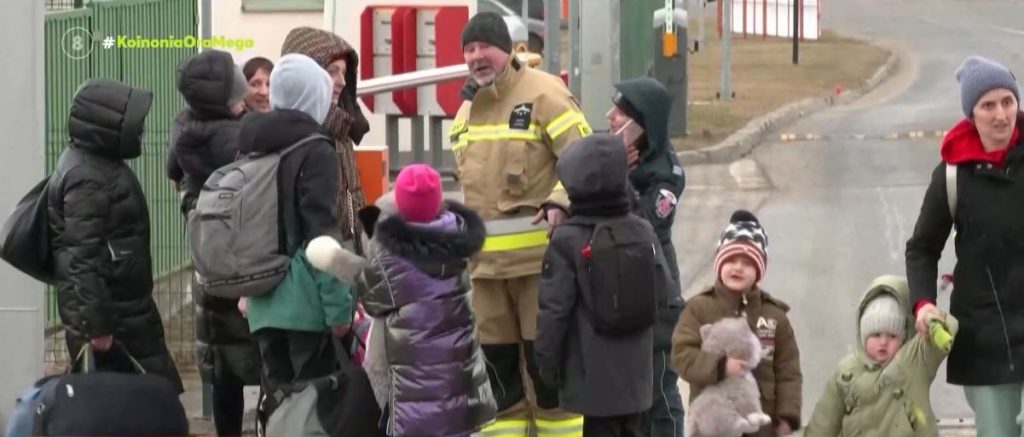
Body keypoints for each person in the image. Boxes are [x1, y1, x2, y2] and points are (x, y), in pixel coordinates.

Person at [449, 11, 593, 436]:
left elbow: (586, 162)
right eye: (469, 49)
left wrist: (561, 202)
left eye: (484, 47)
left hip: (540, 270)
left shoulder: (546, 94)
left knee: (550, 380)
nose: (476, 57)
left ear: (507, 49)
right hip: (485, 276)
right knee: (498, 383)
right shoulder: (466, 110)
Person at [905, 55, 1024, 437]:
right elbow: (922, 248)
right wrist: (924, 304)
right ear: (972, 114)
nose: (1001, 114)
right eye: (988, 105)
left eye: (1008, 101)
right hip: (986, 338)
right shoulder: (953, 176)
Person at [535, 133, 676, 437]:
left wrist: (547, 364)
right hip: (638, 376)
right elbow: (664, 292)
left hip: (592, 379)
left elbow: (553, 311)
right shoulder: (642, 229)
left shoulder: (567, 240)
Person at [48, 78, 183, 392]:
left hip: (125, 312)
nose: (139, 130)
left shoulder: (97, 164)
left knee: (142, 403)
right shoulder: (87, 176)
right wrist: (98, 328)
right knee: (135, 405)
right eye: (133, 122)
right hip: (114, 322)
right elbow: (81, 258)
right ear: (107, 123)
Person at [238, 53, 353, 416]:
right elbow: (321, 235)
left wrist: (244, 290)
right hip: (305, 305)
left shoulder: (251, 144)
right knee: (310, 410)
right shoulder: (316, 150)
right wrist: (340, 308)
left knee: (278, 407)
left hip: (260, 300)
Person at [356, 164, 497, 437]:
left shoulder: (392, 260)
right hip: (459, 382)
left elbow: (370, 300)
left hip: (414, 392)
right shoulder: (458, 243)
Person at [166, 48, 260, 437]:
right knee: (264, 365)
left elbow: (173, 173)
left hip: (209, 268)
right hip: (247, 267)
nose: (244, 100)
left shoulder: (184, 129)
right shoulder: (237, 138)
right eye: (237, 93)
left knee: (224, 378)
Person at [671, 210, 801, 436]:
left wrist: (787, 414)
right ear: (719, 263)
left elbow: (788, 370)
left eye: (747, 263)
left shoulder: (774, 316)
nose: (738, 267)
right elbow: (682, 355)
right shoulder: (699, 308)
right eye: (730, 260)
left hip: (762, 426)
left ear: (759, 270)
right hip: (713, 426)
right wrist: (720, 366)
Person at [607, 76, 686, 437]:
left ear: (642, 125)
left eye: (620, 114)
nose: (610, 117)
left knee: (658, 390)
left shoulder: (666, 175)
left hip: (654, 290)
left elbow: (643, 227)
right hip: (615, 288)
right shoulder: (613, 154)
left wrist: (618, 174)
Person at [805, 275, 958, 436]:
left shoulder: (915, 360)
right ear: (863, 335)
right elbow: (824, 420)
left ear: (905, 335)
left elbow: (950, 328)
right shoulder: (846, 371)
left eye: (892, 336)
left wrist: (933, 321)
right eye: (876, 335)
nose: (883, 342)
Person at [281, 27, 370, 254]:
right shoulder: (293, 137)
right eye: (332, 71)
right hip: (313, 266)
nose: (341, 81)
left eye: (344, 72)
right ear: (307, 76)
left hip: (345, 251)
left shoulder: (341, 127)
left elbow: (351, 197)